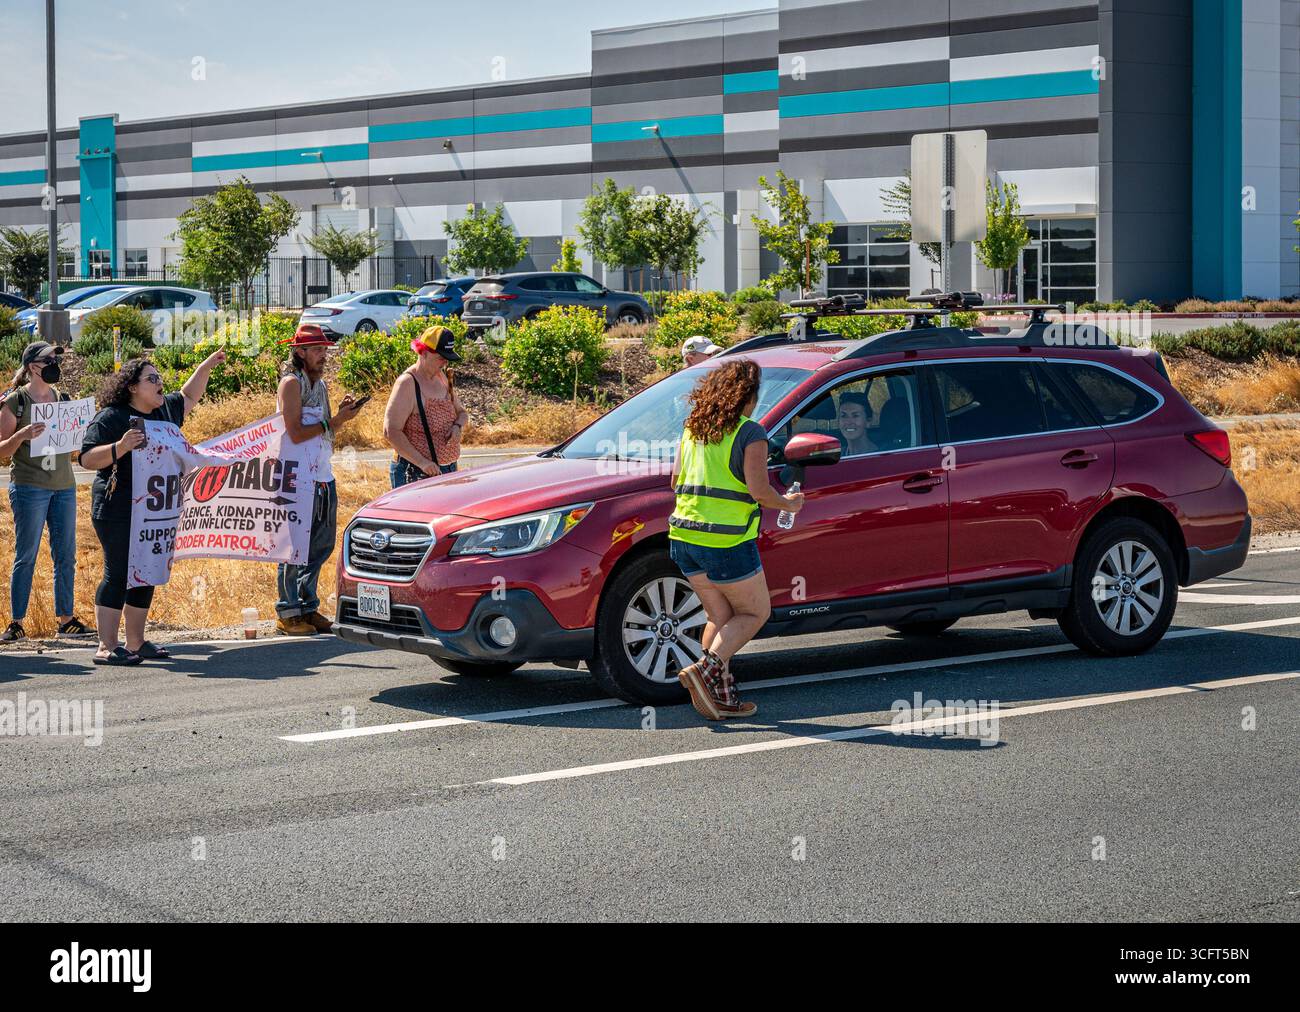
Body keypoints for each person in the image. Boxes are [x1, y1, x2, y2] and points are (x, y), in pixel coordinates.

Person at [668, 358, 804, 720]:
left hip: (683, 537)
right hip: (726, 541)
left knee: (721, 615)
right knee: (755, 612)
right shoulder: (750, 433)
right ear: (748, 395)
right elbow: (760, 492)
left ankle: (721, 697)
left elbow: (674, 482)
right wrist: (789, 502)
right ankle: (703, 670)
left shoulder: (692, 429)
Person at [79, 352, 226, 665]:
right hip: (117, 508)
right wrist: (120, 447)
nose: (160, 383)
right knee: (118, 573)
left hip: (156, 511)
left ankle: (136, 642)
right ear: (133, 387)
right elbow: (87, 458)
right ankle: (106, 646)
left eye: (160, 377)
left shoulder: (165, 411)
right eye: (152, 378)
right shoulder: (112, 417)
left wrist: (205, 367)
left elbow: (188, 396)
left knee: (146, 572)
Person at [274, 323, 362, 636]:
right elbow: (296, 433)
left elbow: (326, 429)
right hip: (296, 478)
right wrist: (336, 420)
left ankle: (308, 607)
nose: (323, 355)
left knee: (320, 546)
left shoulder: (320, 385)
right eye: (317, 350)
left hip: (322, 475)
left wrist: (339, 415)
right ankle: (288, 611)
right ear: (300, 352)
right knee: (294, 546)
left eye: (325, 349)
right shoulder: (291, 383)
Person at [0, 342, 91, 641]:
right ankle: (16, 623)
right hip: (29, 487)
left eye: (56, 359)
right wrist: (22, 434)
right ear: (33, 366)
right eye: (49, 359)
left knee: (65, 555)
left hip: (63, 486)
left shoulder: (62, 399)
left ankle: (66, 620)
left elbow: (74, 447)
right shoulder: (16, 402)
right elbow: (1, 450)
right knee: (26, 555)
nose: (55, 363)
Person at [384, 324, 467, 488]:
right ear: (424, 352)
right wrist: (423, 463)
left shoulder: (441, 377)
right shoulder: (407, 383)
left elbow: (462, 413)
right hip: (415, 473)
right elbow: (390, 431)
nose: (444, 363)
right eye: (441, 357)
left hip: (448, 469)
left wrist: (457, 426)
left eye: (447, 358)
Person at [836, 392, 876, 456]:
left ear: (868, 421)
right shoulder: (836, 456)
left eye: (855, 416)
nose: (848, 422)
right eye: (843, 416)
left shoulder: (881, 456)